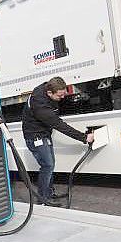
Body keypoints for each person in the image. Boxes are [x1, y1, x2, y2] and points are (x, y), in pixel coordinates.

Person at [22, 76, 94, 206]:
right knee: (47, 165)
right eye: (59, 96)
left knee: (50, 164)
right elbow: (60, 125)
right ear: (49, 93)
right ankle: (43, 200)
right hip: (35, 137)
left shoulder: (47, 88)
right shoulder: (40, 106)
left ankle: (49, 193)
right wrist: (84, 137)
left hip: (43, 133)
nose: (62, 98)